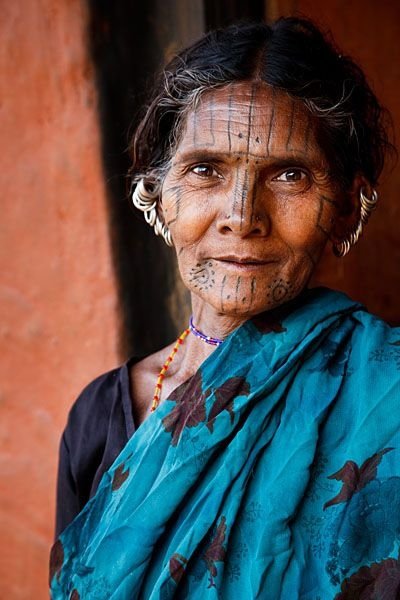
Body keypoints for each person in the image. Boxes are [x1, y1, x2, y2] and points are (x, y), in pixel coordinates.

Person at [50, 17, 400, 599]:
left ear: (347, 208)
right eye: (205, 170)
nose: (242, 215)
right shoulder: (97, 418)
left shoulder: (387, 391)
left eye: (290, 175)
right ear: (156, 195)